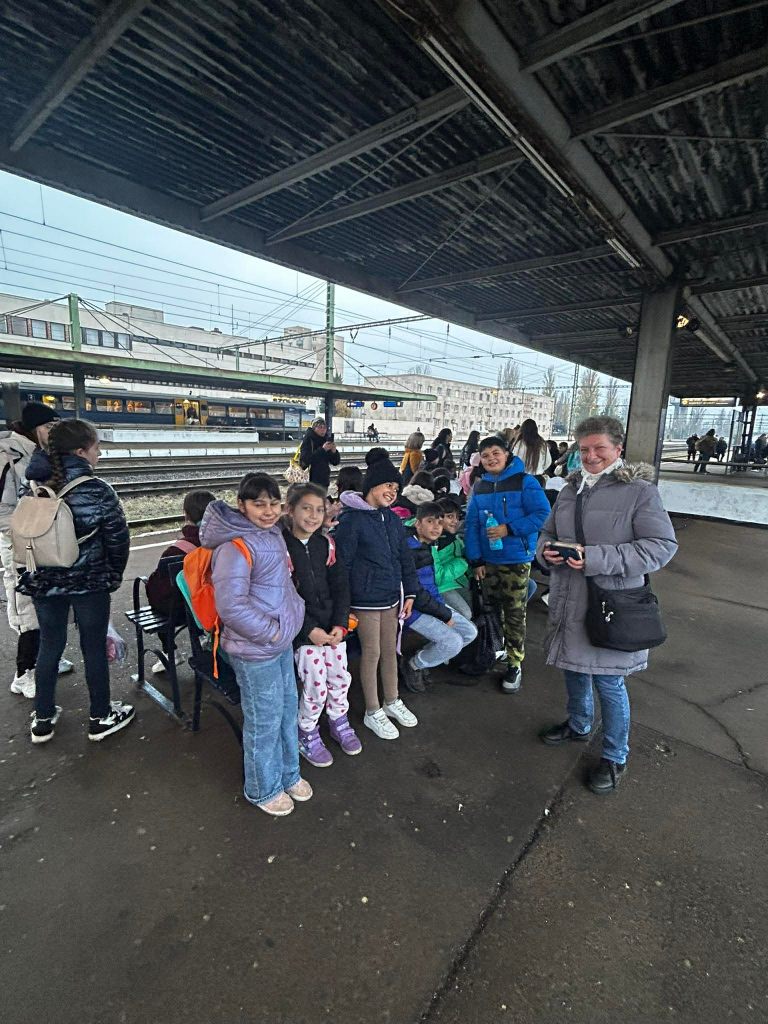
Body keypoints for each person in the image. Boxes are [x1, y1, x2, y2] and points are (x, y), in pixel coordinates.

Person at [537, 416, 677, 795]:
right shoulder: (570, 489)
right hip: (569, 599)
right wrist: (546, 552)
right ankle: (579, 724)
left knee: (609, 682)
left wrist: (596, 558)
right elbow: (548, 532)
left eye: (599, 448)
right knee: (573, 669)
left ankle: (615, 755)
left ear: (618, 449)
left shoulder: (640, 492)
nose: (591, 456)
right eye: (584, 449)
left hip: (609, 604)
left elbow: (661, 547)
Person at [18, 419, 133, 745]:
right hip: (89, 582)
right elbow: (118, 540)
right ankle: (100, 717)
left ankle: (43, 720)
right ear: (81, 452)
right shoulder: (97, 489)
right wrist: (112, 577)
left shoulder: (35, 486)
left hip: (44, 581)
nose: (99, 454)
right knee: (93, 647)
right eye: (97, 447)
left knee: (49, 646)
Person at [200, 473, 308, 817]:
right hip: (254, 650)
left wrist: (291, 619)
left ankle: (289, 773)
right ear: (241, 505)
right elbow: (231, 606)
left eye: (274, 503)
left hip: (279, 640)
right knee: (264, 719)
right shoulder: (234, 547)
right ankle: (263, 788)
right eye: (259, 504)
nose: (268, 511)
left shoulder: (271, 533)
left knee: (287, 708)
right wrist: (273, 633)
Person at [333, 450, 419, 740]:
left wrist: (410, 593)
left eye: (396, 488)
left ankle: (392, 700)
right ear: (371, 485)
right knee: (372, 653)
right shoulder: (352, 520)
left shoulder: (392, 520)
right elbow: (342, 566)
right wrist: (344, 605)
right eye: (387, 485)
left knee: (390, 650)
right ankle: (372, 710)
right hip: (365, 600)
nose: (392, 492)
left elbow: (405, 558)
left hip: (391, 597)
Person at [464, 435, 550, 694]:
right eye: (485, 455)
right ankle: (496, 649)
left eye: (495, 453)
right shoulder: (480, 486)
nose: (491, 458)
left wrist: (509, 529)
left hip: (516, 559)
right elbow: (472, 525)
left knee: (514, 612)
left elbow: (543, 514)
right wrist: (476, 559)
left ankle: (515, 662)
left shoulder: (525, 482)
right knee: (491, 610)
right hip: (487, 561)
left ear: (507, 454)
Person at [282, 483, 360, 767]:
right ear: (290, 510)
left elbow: (341, 587)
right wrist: (309, 630)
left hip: (331, 629)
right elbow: (283, 598)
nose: (314, 516)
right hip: (303, 633)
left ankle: (338, 719)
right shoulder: (280, 549)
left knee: (340, 677)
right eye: (306, 509)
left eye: (319, 510)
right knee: (315, 683)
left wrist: (340, 623)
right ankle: (307, 730)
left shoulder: (326, 544)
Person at [0, 402, 73, 700]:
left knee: (47, 603)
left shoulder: (44, 453)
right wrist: (20, 535)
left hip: (44, 540)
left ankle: (46, 658)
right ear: (33, 428)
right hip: (22, 543)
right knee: (27, 608)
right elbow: (2, 509)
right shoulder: (8, 454)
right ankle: (24, 674)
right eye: (48, 427)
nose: (52, 432)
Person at [402, 503, 477, 690]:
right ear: (418, 523)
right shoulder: (409, 549)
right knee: (453, 642)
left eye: (439, 522)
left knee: (470, 632)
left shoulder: (427, 545)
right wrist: (444, 614)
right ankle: (413, 665)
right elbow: (415, 592)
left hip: (431, 603)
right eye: (430, 522)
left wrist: (441, 609)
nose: (436, 527)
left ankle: (422, 658)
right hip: (411, 609)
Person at [146, 489, 215, 673]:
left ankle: (170, 652)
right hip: (216, 610)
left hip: (183, 613)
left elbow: (159, 594)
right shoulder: (225, 542)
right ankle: (204, 637)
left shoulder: (176, 551)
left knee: (159, 597)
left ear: (186, 515)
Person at [433, 496, 471, 620]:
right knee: (465, 614)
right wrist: (463, 562)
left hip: (456, 581)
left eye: (457, 517)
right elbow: (437, 578)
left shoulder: (453, 538)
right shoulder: (432, 542)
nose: (455, 521)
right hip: (439, 587)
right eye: (450, 516)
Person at [299, 418, 340, 488]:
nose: (323, 430)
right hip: (310, 480)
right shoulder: (308, 439)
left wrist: (334, 451)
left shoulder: (326, 440)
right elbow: (306, 459)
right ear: (314, 428)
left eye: (324, 427)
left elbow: (335, 462)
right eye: (320, 427)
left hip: (324, 480)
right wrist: (323, 449)